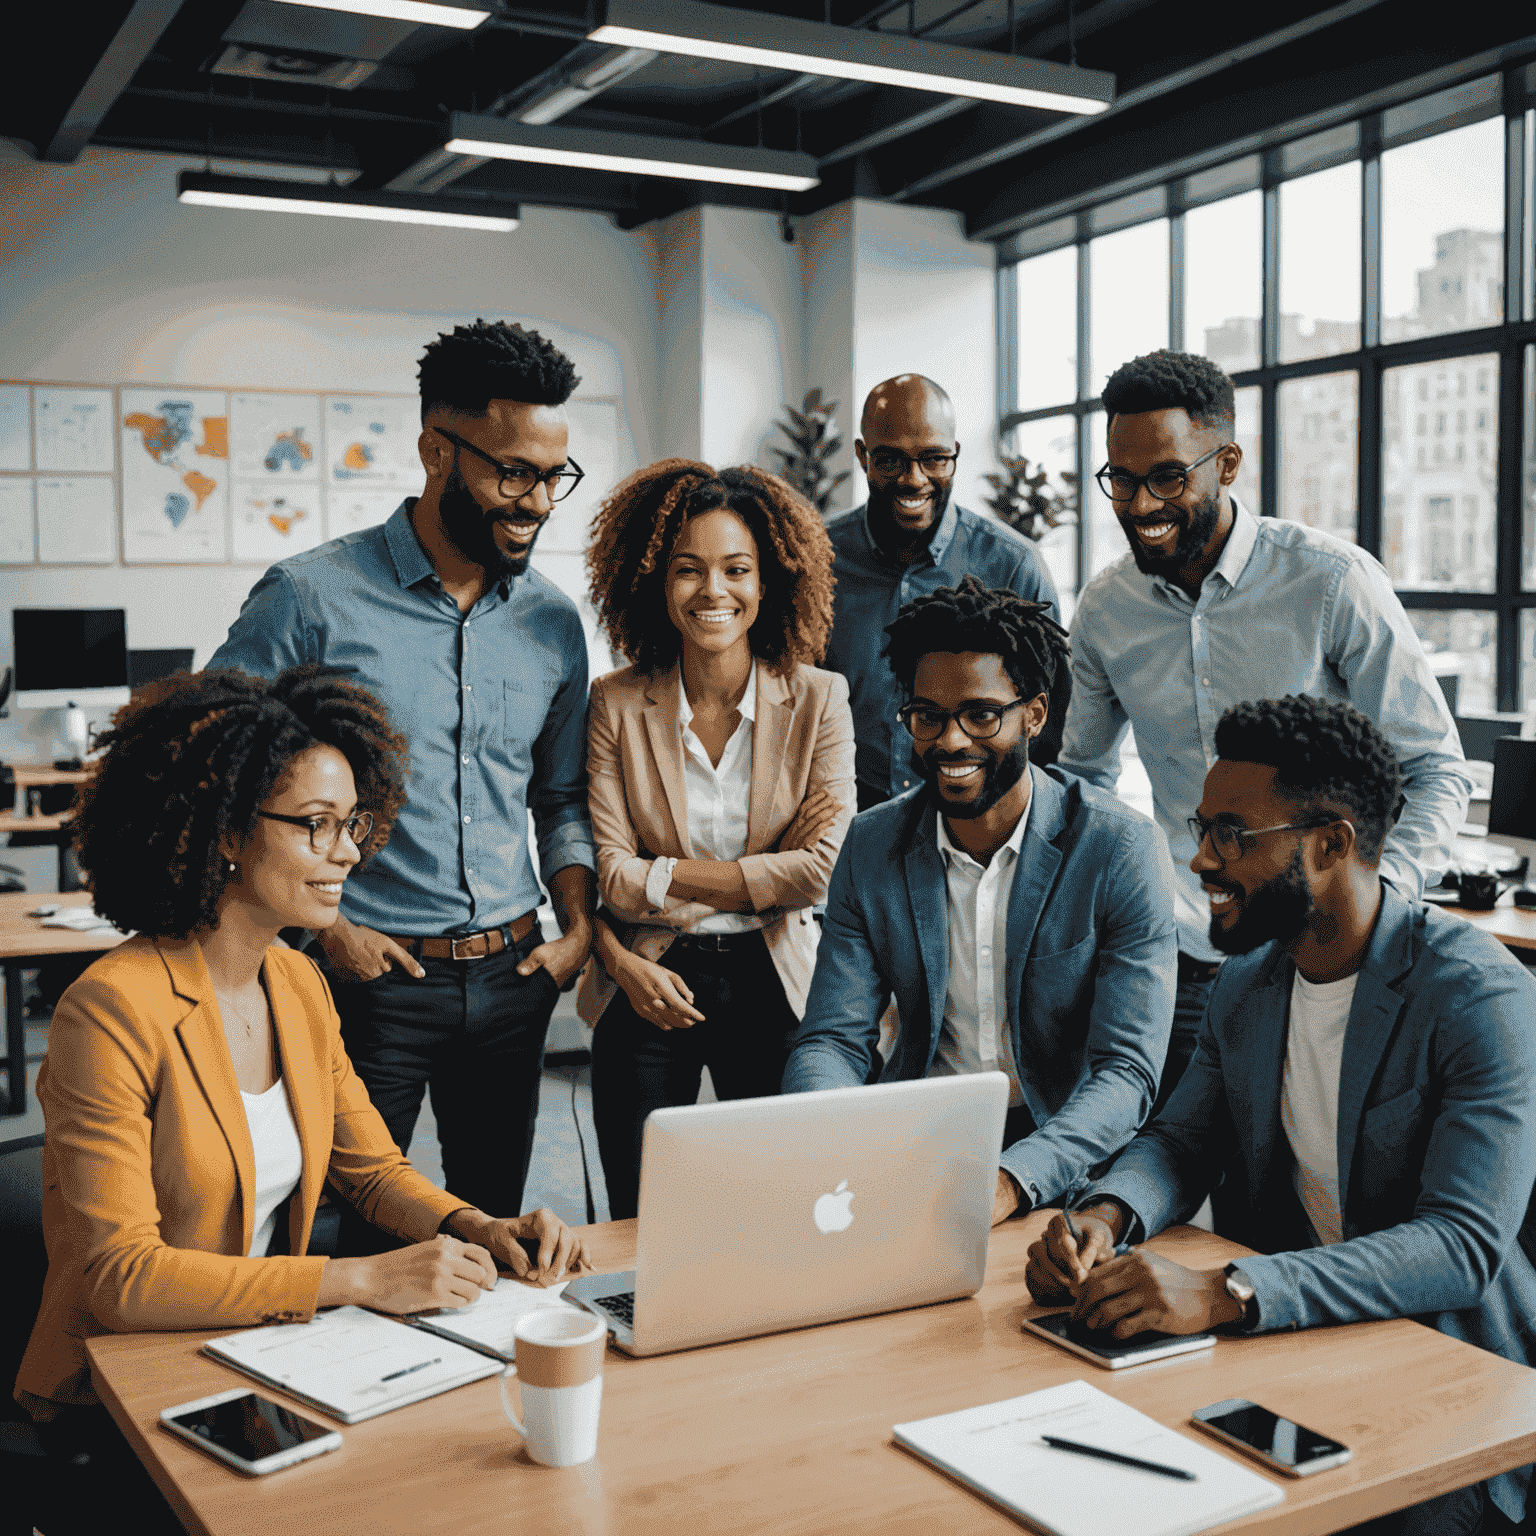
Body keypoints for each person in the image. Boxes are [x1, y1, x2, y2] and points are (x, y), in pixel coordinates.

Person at [14, 667, 586, 1533]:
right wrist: (357, 1280)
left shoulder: (296, 982)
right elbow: (118, 1279)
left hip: (258, 1354)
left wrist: (473, 1225)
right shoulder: (111, 1008)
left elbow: (375, 1174)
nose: (350, 851)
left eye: (352, 823)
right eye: (316, 826)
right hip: (132, 1385)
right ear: (226, 834)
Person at [1029, 696, 1535, 1535]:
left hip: (1455, 1391)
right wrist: (1105, 1219)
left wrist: (1228, 1292)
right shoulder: (1250, 980)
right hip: (1300, 1362)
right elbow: (1182, 1142)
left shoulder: (1479, 998)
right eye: (1203, 828)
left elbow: (1461, 1244)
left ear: (1330, 843)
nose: (1198, 861)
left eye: (1233, 834)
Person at [209, 320, 596, 1227]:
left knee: (490, 1222)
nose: (536, 502)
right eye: (512, 472)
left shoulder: (552, 623)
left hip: (514, 976)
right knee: (340, 1227)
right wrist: (326, 931)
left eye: (553, 477)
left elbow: (560, 794)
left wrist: (576, 923)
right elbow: (215, 763)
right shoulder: (310, 598)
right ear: (436, 451)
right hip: (366, 977)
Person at [1059, 349, 1472, 1116]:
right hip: (1185, 952)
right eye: (1120, 479)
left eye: (1168, 477)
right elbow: (1082, 781)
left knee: (1327, 1176)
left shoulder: (1332, 582)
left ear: (1228, 463)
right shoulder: (1106, 610)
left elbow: (1435, 767)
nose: (1140, 503)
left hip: (1328, 951)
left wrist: (1378, 900)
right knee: (1180, 1164)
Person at [784, 578, 1177, 1225]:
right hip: (918, 1144)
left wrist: (1007, 1181)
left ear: (1036, 715)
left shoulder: (1118, 848)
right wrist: (830, 1134)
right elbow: (833, 1036)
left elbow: (1125, 1073)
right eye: (927, 715)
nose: (951, 741)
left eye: (981, 715)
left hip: (1072, 1160)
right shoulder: (873, 843)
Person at [579, 460, 855, 1219]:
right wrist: (755, 871)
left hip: (775, 974)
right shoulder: (615, 703)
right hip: (650, 975)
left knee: (781, 1208)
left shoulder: (819, 700)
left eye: (737, 569)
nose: (713, 592)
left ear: (768, 583)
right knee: (640, 1211)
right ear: (655, 581)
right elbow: (611, 874)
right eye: (688, 570)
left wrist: (664, 871)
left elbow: (821, 869)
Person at [822, 373, 1063, 813]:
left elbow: (1049, 730)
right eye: (891, 460)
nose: (914, 480)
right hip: (845, 817)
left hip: (975, 816)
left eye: (934, 459)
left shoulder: (1013, 566)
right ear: (863, 456)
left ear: (955, 457)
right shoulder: (819, 561)